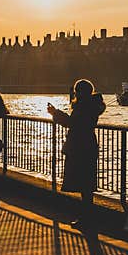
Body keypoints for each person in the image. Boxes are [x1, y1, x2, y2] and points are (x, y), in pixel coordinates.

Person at [47, 79, 106, 231]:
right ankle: (87, 218)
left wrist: (55, 113)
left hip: (80, 146)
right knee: (86, 185)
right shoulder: (92, 105)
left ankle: (86, 219)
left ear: (79, 92)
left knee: (83, 185)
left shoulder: (83, 106)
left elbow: (73, 123)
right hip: (88, 146)